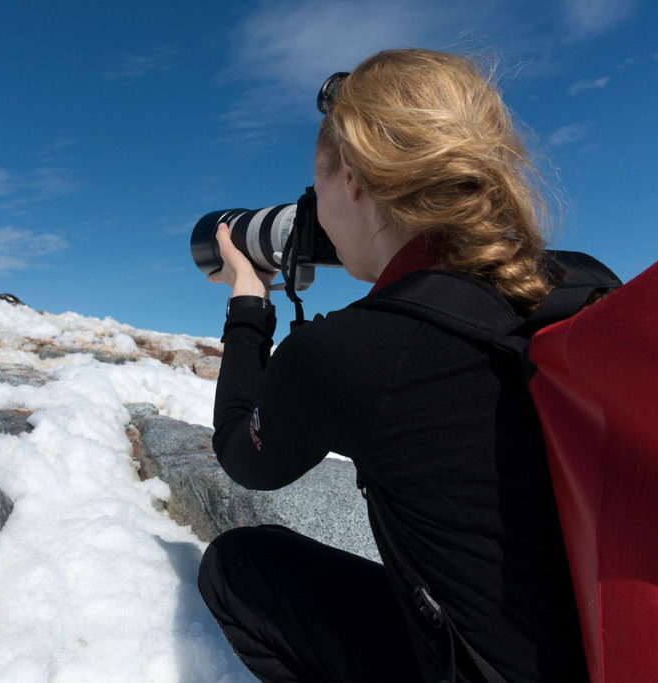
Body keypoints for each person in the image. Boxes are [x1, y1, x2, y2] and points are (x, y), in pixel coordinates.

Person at [197, 49, 587, 682]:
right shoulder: (579, 286)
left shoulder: (359, 349)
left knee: (237, 566)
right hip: (611, 646)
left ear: (351, 176)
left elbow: (243, 457)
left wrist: (249, 302)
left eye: (315, 189)